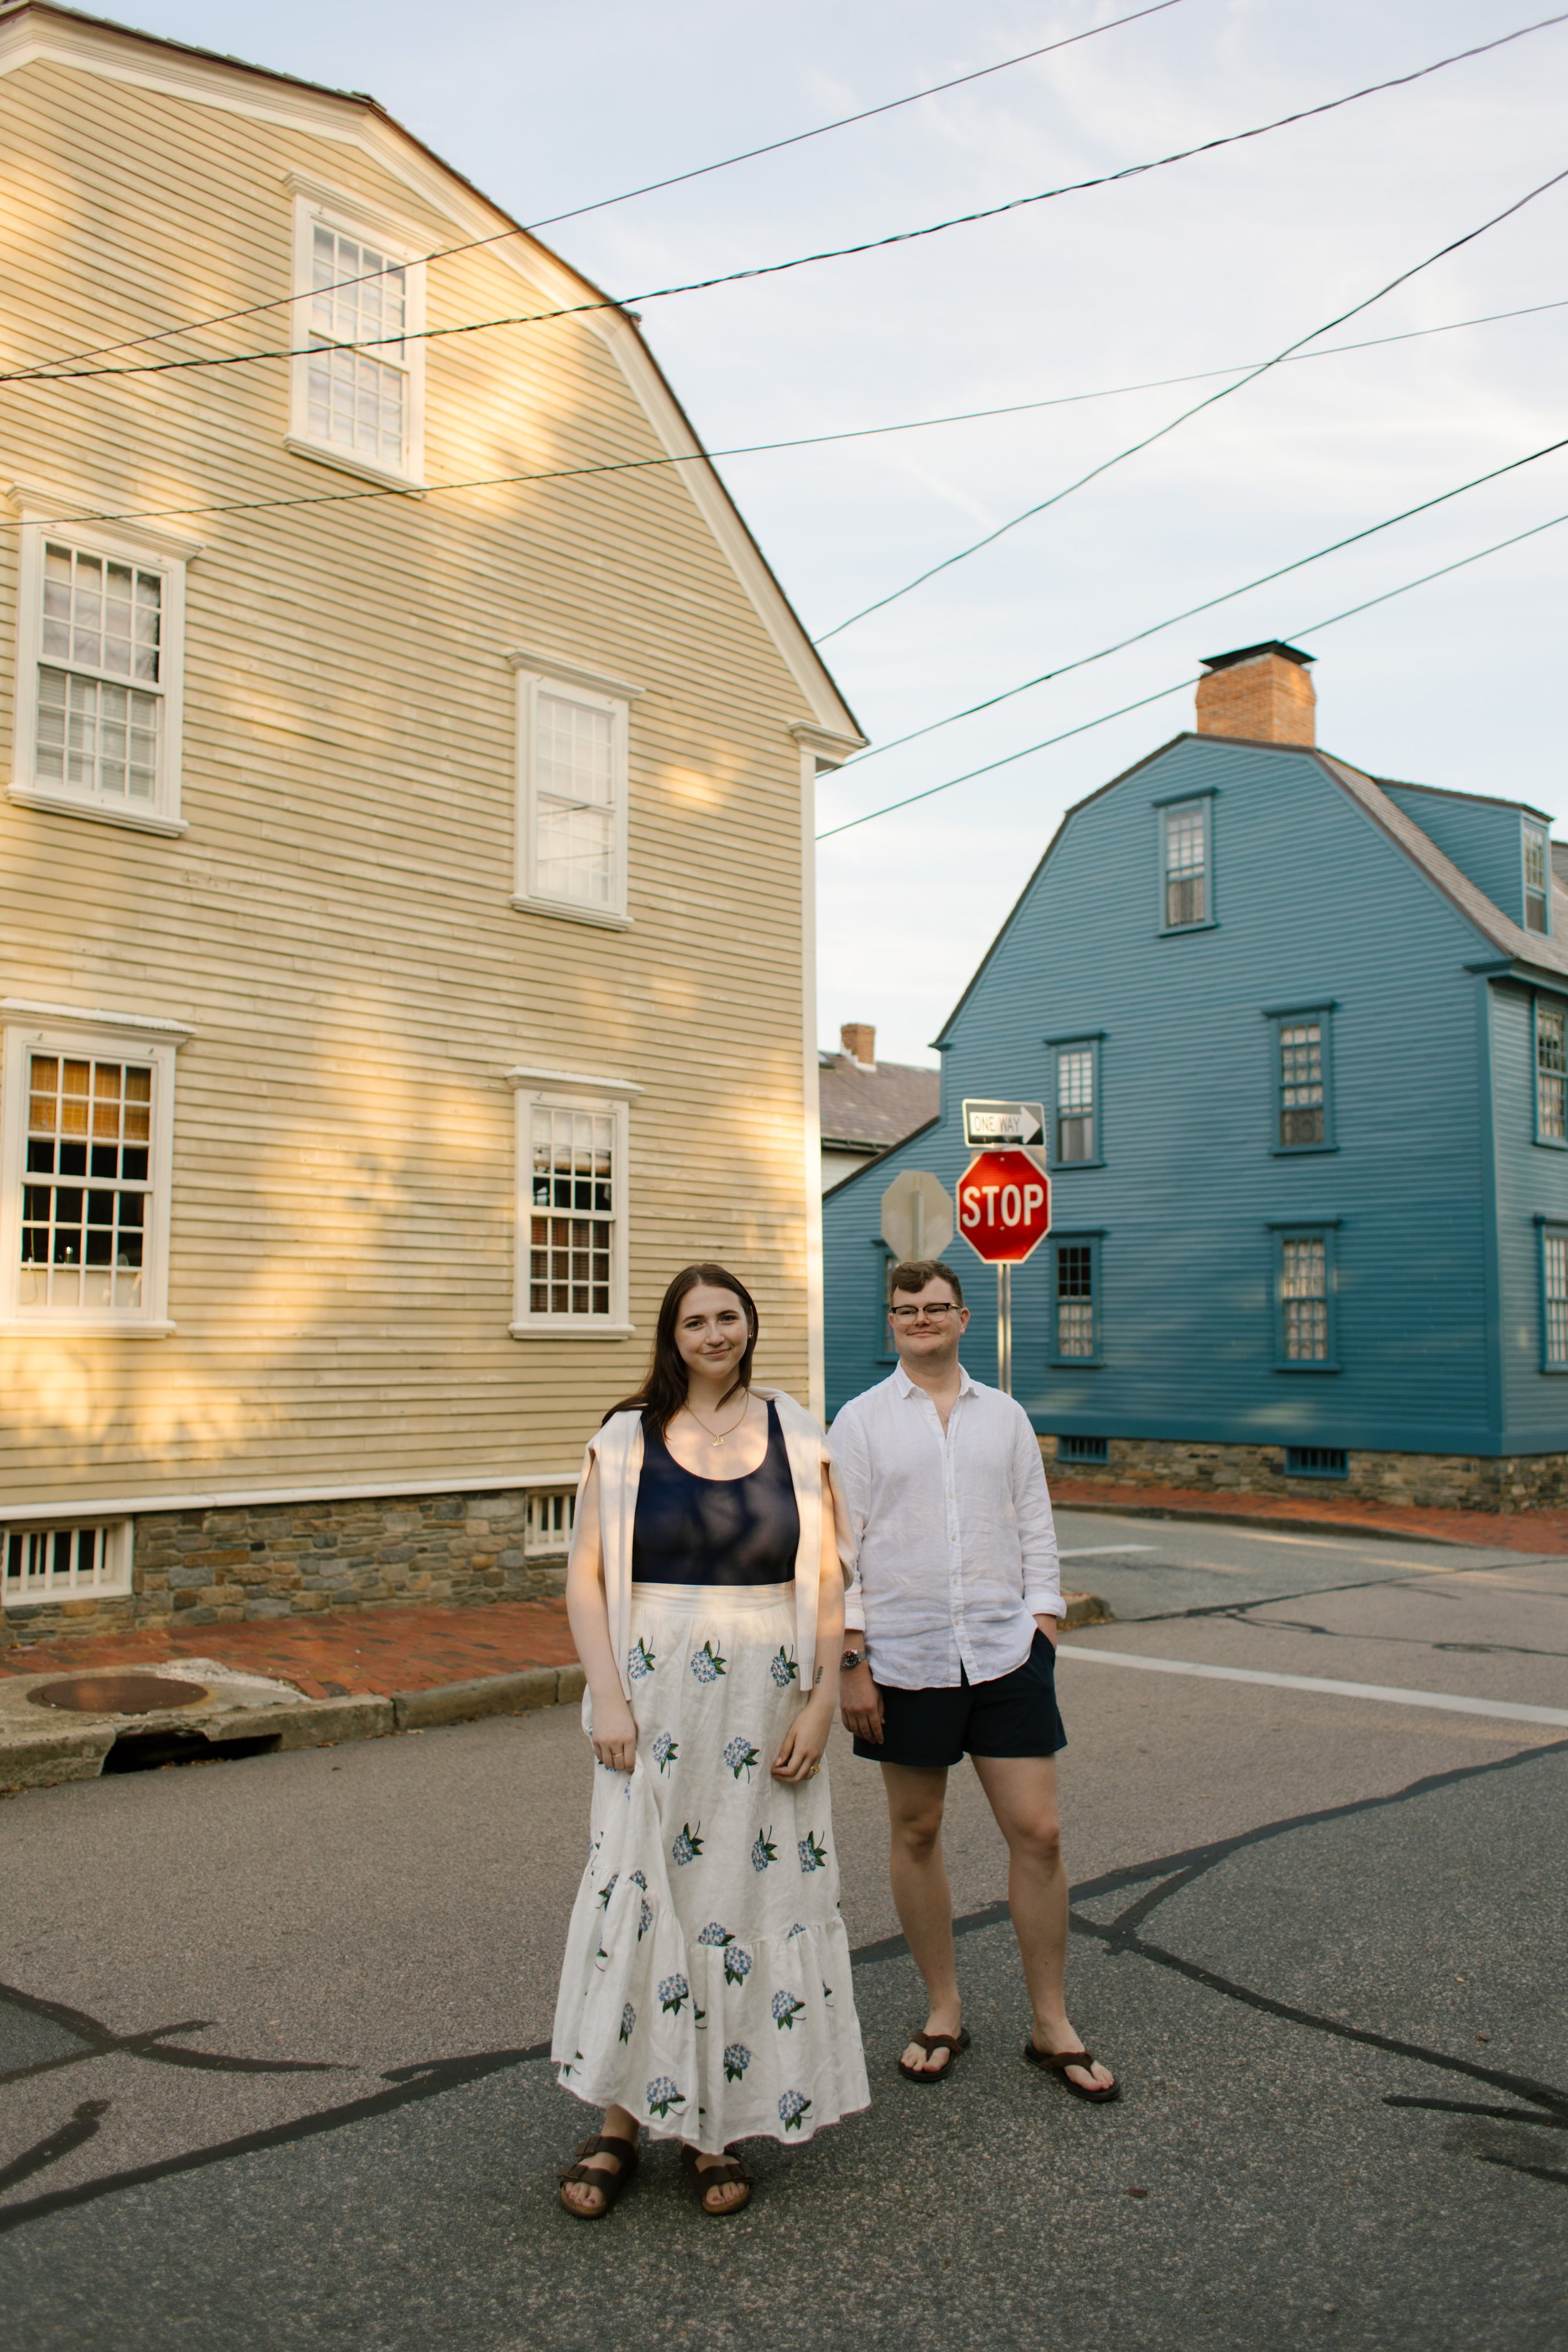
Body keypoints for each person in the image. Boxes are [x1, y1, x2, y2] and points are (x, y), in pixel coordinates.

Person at [553, 1263, 869, 2219]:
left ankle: (712, 2126)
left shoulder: (799, 1432)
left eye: (729, 1315)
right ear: (672, 1333)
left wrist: (819, 1703)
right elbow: (585, 1578)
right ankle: (618, 2120)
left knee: (742, 1897)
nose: (715, 1332)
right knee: (643, 1889)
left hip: (766, 1700)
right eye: (696, 1320)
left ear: (750, 1324)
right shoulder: (625, 1439)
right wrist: (608, 1697)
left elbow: (824, 1581)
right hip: (653, 1704)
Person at [832, 1258, 1118, 2102]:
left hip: (1004, 1654)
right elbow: (838, 1550)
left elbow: (1036, 1521)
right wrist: (853, 1659)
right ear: (891, 1321)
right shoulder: (859, 1422)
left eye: (935, 1307)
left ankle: (1051, 2022)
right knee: (916, 1830)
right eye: (905, 1308)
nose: (921, 1318)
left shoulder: (1007, 1416)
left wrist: (1044, 1623)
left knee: (1040, 1832)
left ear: (964, 1317)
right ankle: (944, 2007)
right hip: (904, 1658)